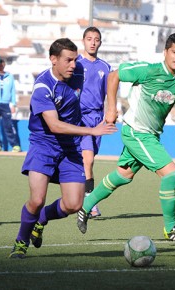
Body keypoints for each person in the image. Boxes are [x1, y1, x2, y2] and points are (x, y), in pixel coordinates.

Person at [76, 32, 175, 244]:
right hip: (136, 132)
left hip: (151, 135)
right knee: (171, 174)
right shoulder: (148, 70)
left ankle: (85, 207)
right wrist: (111, 109)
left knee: (123, 175)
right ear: (166, 52)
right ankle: (171, 229)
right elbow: (114, 76)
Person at [9, 38, 117, 259]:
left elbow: (111, 78)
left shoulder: (78, 74)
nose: (73, 65)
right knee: (37, 200)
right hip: (44, 146)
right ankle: (21, 242)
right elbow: (54, 125)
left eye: (75, 60)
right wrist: (91, 131)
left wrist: (111, 108)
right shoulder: (43, 87)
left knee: (74, 204)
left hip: (70, 147)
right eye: (68, 60)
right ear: (53, 59)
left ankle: (42, 220)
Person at [77, 26, 111, 218]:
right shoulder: (76, 64)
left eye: (96, 39)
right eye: (89, 38)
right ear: (83, 41)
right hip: (79, 118)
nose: (92, 42)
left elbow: (109, 94)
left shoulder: (105, 67)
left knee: (89, 162)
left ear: (100, 42)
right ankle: (90, 204)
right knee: (87, 160)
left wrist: (111, 113)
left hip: (97, 119)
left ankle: (82, 198)